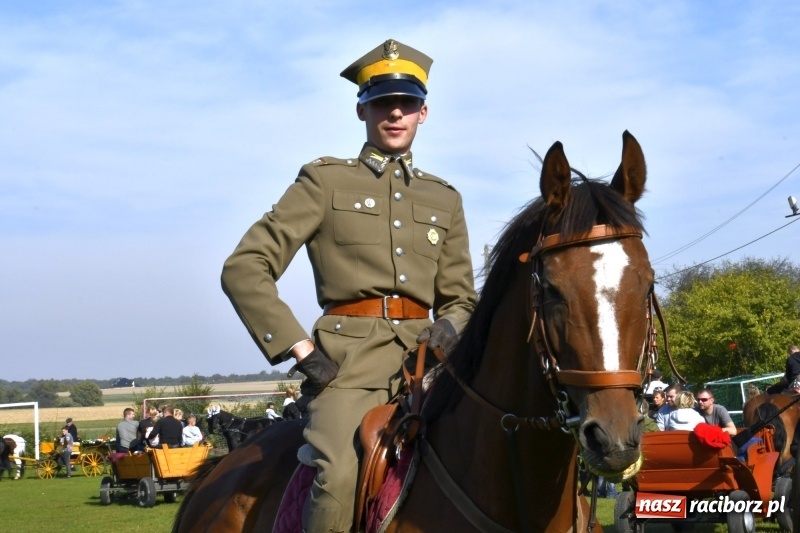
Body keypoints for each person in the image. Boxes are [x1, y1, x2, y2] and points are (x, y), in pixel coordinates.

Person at [220, 38, 477, 533]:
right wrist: (300, 349)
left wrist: (449, 326)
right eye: (383, 102)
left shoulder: (444, 198)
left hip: (431, 366)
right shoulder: (325, 182)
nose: (396, 113)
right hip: (347, 366)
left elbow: (462, 297)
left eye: (408, 104)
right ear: (362, 108)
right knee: (338, 472)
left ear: (424, 113)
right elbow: (245, 266)